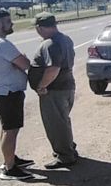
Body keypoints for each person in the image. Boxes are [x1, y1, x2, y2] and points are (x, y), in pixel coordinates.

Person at [0, 9, 33, 180]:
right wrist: (21, 61)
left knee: (7, 128)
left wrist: (18, 63)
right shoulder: (1, 44)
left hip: (2, 92)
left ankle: (9, 159)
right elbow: (24, 63)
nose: (11, 24)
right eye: (8, 21)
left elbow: (19, 64)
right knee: (11, 130)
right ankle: (9, 168)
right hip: (8, 92)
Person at [29, 12, 78, 168]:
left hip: (55, 90)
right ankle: (68, 148)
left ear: (40, 27)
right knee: (62, 121)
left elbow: (53, 69)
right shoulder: (65, 39)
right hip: (66, 87)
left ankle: (65, 156)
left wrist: (42, 86)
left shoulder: (50, 44)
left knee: (56, 124)